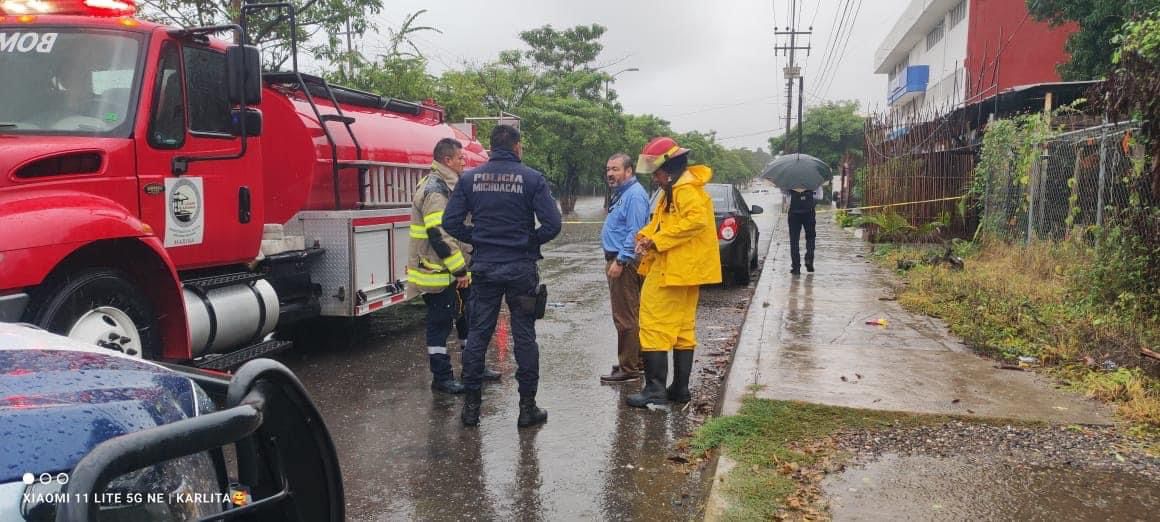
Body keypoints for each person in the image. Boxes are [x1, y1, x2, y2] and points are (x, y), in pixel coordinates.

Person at [443, 125, 562, 428]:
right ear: (517, 147)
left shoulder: (469, 179)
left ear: (491, 148)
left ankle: (471, 410)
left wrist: (478, 238)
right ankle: (527, 408)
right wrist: (528, 241)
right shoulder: (532, 179)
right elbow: (552, 224)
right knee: (524, 337)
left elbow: (450, 221)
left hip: (485, 268)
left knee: (478, 335)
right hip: (520, 268)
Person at [627, 137, 721, 408]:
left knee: (653, 322)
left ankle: (655, 390)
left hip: (674, 268)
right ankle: (679, 389)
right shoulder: (676, 188)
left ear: (669, 167)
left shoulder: (684, 189)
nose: (655, 177)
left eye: (657, 172)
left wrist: (657, 241)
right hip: (684, 269)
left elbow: (695, 222)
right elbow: (660, 223)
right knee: (682, 329)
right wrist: (645, 236)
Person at [405, 138, 500, 395]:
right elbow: (439, 235)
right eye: (460, 158)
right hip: (439, 273)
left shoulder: (448, 184)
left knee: (467, 320)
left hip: (454, 272)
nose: (464, 161)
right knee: (440, 325)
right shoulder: (436, 189)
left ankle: (474, 368)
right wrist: (459, 270)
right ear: (447, 160)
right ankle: (442, 377)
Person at [599, 153, 650, 383]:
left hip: (625, 262)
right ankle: (633, 361)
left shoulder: (634, 196)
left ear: (629, 171)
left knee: (625, 316)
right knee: (631, 313)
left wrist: (620, 261)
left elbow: (635, 232)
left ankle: (628, 369)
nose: (610, 173)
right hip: (620, 259)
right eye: (608, 169)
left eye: (616, 169)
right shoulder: (624, 194)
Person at [783, 186, 824, 274]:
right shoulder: (813, 179)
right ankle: (809, 258)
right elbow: (820, 196)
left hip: (794, 213)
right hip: (809, 212)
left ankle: (796, 267)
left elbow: (784, 193)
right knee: (810, 237)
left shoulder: (789, 180)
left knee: (794, 240)